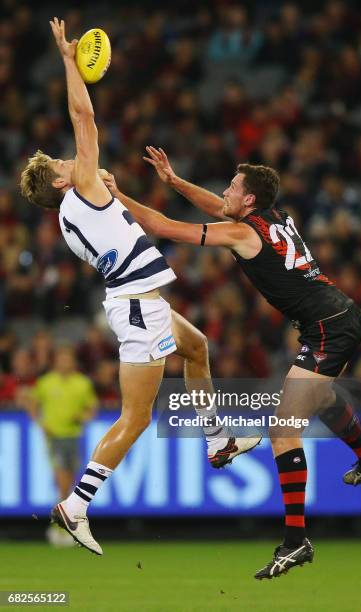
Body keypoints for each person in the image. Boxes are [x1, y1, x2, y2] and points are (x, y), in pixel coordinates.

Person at [19, 19, 260, 555]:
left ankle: (217, 442)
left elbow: (123, 217)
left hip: (137, 302)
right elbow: (84, 114)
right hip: (137, 307)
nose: (75, 160)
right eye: (66, 163)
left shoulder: (69, 216)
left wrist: (116, 191)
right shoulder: (78, 187)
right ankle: (76, 505)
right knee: (137, 416)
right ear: (61, 181)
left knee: (197, 346)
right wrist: (68, 59)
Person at [101, 146, 361, 579]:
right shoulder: (275, 217)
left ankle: (296, 542)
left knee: (282, 431)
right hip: (337, 317)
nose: (226, 191)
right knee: (323, 397)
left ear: (250, 200)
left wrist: (116, 195)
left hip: (330, 327)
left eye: (234, 187)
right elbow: (220, 208)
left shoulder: (244, 234)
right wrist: (174, 181)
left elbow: (163, 227)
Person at [26, 346, 97, 547]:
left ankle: (61, 525)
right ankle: (62, 527)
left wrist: (83, 417)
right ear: (56, 361)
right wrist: (41, 423)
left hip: (74, 436)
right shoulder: (46, 382)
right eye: (61, 359)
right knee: (63, 482)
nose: (65, 362)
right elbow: (30, 401)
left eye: (68, 359)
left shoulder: (82, 383)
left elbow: (92, 407)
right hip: (55, 437)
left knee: (70, 483)